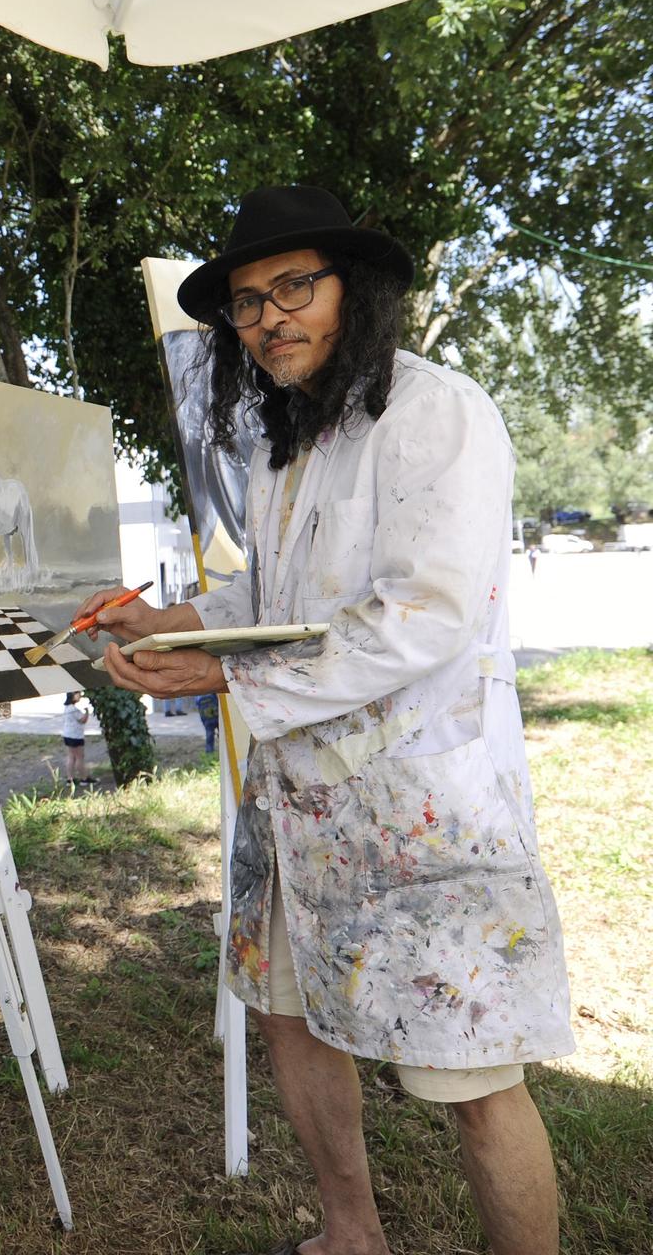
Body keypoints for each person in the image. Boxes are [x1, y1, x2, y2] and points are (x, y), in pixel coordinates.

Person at [75, 186, 572, 1255]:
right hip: (295, 800)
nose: (266, 319)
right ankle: (351, 1235)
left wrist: (221, 684)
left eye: (292, 286)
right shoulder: (281, 442)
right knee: (289, 1017)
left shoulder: (432, 410)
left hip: (418, 807)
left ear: (359, 288)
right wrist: (183, 624)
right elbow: (273, 602)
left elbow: (423, 615)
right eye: (247, 303)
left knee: (471, 1070)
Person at [60, 691, 89, 786]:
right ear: (72, 696)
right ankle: (84, 779)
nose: (80, 695)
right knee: (79, 757)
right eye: (77, 693)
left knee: (71, 757)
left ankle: (70, 779)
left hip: (67, 735)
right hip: (75, 736)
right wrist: (87, 712)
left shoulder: (67, 708)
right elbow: (83, 720)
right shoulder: (74, 709)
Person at [195, 691, 220, 756]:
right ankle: (225, 749)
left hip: (206, 718)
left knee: (209, 735)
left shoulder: (198, 695)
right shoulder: (211, 689)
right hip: (216, 715)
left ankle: (209, 752)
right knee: (222, 733)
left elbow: (198, 705)